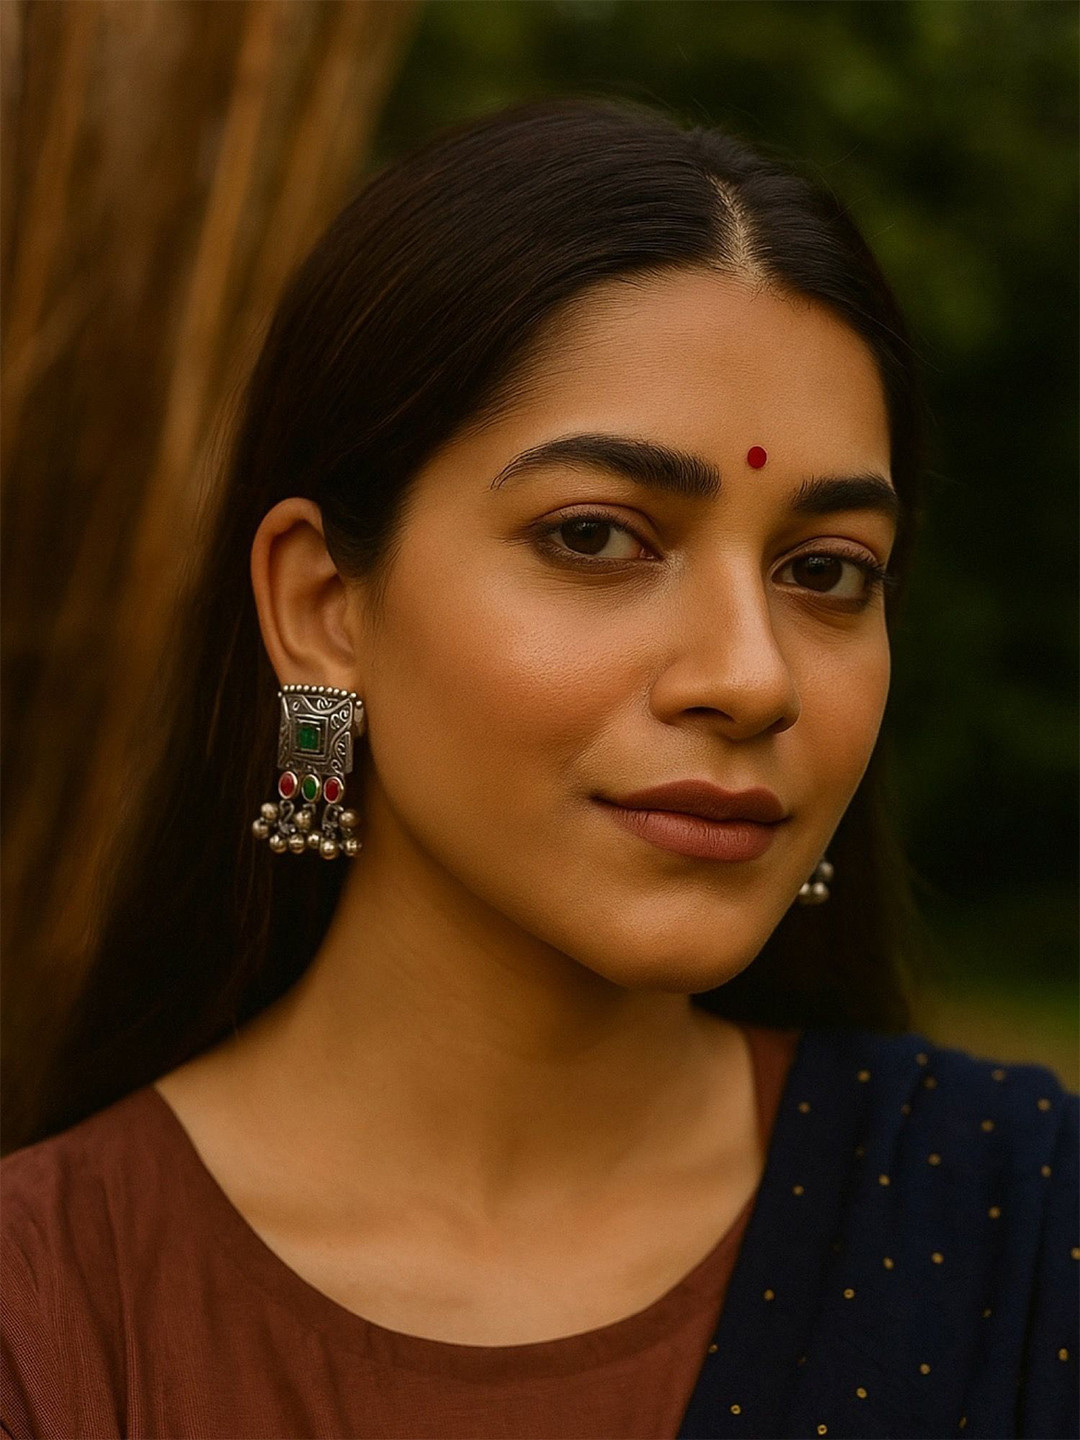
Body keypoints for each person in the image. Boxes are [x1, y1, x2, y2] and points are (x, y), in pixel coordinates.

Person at [1, 97, 1075, 1440]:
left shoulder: (1022, 1229)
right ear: (325, 607)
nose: (753, 677)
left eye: (825, 572)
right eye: (595, 537)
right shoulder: (51, 1319)